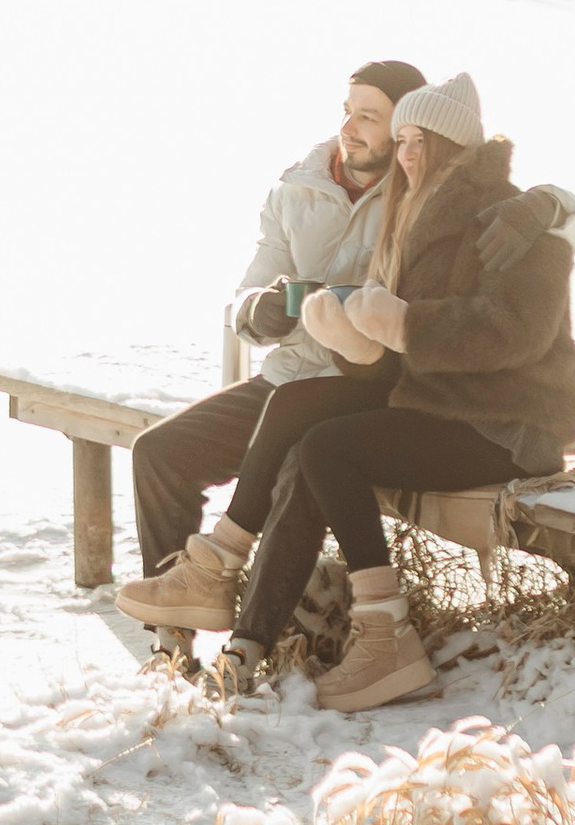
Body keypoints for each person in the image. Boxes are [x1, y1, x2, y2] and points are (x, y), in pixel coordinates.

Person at [135, 71, 575, 717]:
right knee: (290, 410)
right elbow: (378, 352)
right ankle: (214, 571)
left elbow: (516, 331)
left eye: (418, 138)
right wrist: (351, 341)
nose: (407, 152)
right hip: (420, 400)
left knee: (324, 449)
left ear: (453, 145)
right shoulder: (404, 211)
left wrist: (406, 326)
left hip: (506, 422)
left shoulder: (508, 220)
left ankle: (378, 635)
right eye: (401, 138)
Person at [121, 60, 426, 601]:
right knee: (160, 451)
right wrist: (258, 312)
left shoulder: (420, 196)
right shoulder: (297, 189)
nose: (349, 128)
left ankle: (254, 631)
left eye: (368, 117)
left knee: (296, 473)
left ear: (405, 129)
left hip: (362, 394)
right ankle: (173, 621)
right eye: (347, 112)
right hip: (286, 379)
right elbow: (249, 289)